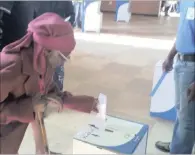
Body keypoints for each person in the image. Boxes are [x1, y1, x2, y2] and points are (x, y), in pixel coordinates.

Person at [0, 13, 98, 154]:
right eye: (63, 56)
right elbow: (34, 105)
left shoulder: (43, 64)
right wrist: (30, 105)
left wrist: (90, 104)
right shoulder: (11, 67)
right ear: (47, 50)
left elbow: (51, 96)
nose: (65, 61)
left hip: (9, 137)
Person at [155, 0, 195, 154]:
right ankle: (176, 146)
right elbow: (183, 32)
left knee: (187, 120)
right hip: (181, 61)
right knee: (180, 111)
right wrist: (170, 56)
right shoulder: (185, 2)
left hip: (192, 67)